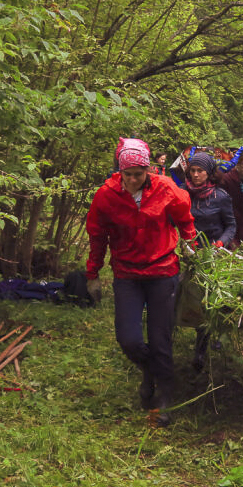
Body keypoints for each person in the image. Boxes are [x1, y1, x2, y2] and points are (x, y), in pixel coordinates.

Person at [85, 138, 196, 426]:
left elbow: (184, 218)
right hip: (127, 274)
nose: (133, 179)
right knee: (129, 339)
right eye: (128, 175)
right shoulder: (106, 196)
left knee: (161, 339)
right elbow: (97, 236)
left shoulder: (165, 188)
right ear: (119, 172)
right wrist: (92, 274)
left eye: (139, 174)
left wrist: (189, 242)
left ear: (147, 170)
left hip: (162, 271)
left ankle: (165, 397)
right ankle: (149, 370)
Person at [182, 152, 236, 371]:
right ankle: (201, 346)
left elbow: (231, 225)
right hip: (192, 254)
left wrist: (220, 245)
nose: (196, 175)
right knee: (198, 301)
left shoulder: (220, 196)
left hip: (215, 253)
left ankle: (218, 335)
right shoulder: (183, 194)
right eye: (192, 171)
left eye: (200, 171)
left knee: (215, 300)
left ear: (209, 173)